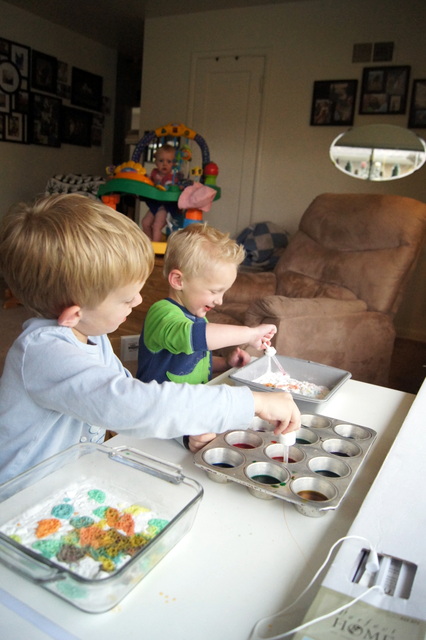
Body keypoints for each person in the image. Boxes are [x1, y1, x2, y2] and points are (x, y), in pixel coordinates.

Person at [0, 194, 301, 484]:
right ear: (74, 314)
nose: (139, 301)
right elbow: (130, 405)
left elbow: (147, 402)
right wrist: (250, 402)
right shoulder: (44, 353)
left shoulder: (91, 334)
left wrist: (185, 433)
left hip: (69, 477)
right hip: (20, 495)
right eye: (127, 299)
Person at [137, 222, 277, 384]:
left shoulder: (198, 317)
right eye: (214, 291)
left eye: (223, 292)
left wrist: (226, 363)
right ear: (178, 280)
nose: (220, 301)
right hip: (157, 399)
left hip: (193, 398)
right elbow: (193, 337)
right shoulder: (162, 313)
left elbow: (193, 363)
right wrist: (251, 334)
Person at [141, 144, 181, 241]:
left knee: (156, 226)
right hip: (156, 204)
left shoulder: (173, 178)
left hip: (166, 206)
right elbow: (149, 184)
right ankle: (149, 243)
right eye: (161, 161)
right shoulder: (154, 174)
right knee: (145, 223)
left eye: (169, 161)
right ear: (156, 162)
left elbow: (174, 188)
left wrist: (175, 186)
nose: (164, 164)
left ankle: (155, 247)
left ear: (173, 164)